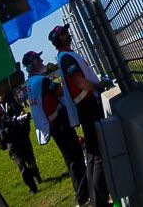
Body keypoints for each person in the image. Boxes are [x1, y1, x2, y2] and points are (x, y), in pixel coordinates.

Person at [50, 24, 112, 207]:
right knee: (98, 154)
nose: (67, 34)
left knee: (93, 155)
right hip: (88, 106)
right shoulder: (66, 58)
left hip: (86, 107)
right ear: (57, 39)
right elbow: (80, 81)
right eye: (63, 33)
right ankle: (99, 201)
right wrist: (99, 86)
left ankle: (95, 200)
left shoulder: (66, 56)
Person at [24, 50, 89, 205]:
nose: (41, 61)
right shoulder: (42, 81)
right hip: (58, 123)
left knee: (70, 159)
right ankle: (82, 195)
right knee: (76, 158)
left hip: (51, 125)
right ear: (32, 64)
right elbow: (59, 91)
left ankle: (81, 193)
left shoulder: (30, 83)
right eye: (38, 59)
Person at [0, 89, 41, 195]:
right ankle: (32, 187)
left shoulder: (11, 98)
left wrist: (22, 118)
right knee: (20, 164)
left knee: (30, 158)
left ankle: (36, 174)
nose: (0, 94)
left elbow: (21, 110)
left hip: (20, 133)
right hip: (9, 139)